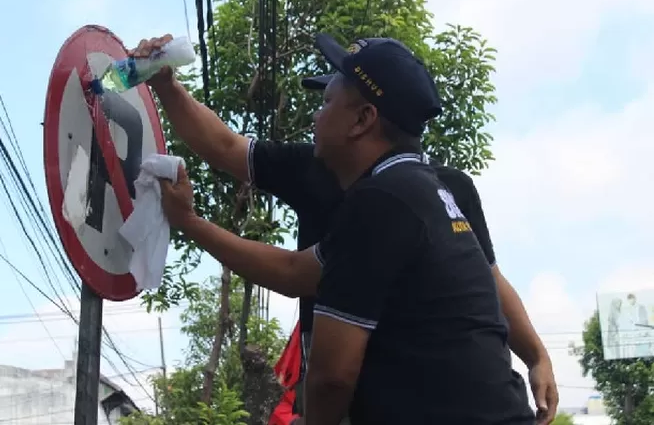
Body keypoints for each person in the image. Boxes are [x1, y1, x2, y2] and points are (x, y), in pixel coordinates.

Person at [131, 34, 557, 422]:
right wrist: (186, 218)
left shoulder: (386, 199)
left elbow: (332, 377)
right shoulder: (402, 191)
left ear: (362, 120)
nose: (317, 115)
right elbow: (299, 272)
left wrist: (537, 354)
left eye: (328, 101)